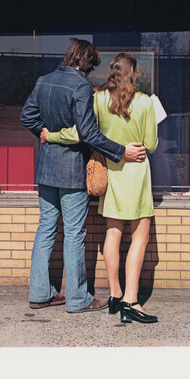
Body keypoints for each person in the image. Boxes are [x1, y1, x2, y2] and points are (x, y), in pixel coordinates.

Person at [20, 39, 147, 313]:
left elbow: (26, 116)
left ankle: (39, 294)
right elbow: (88, 133)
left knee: (45, 229)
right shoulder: (79, 86)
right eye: (91, 67)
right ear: (85, 62)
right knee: (75, 233)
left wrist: (45, 134)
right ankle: (78, 299)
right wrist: (121, 151)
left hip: (45, 170)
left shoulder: (44, 81)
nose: (90, 73)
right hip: (71, 171)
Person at [43, 53, 159, 324]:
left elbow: (78, 132)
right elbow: (150, 145)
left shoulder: (99, 99)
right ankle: (131, 300)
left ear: (111, 72)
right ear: (134, 74)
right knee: (139, 238)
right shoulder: (144, 102)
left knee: (112, 234)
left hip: (112, 174)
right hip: (137, 175)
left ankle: (115, 295)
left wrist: (52, 135)